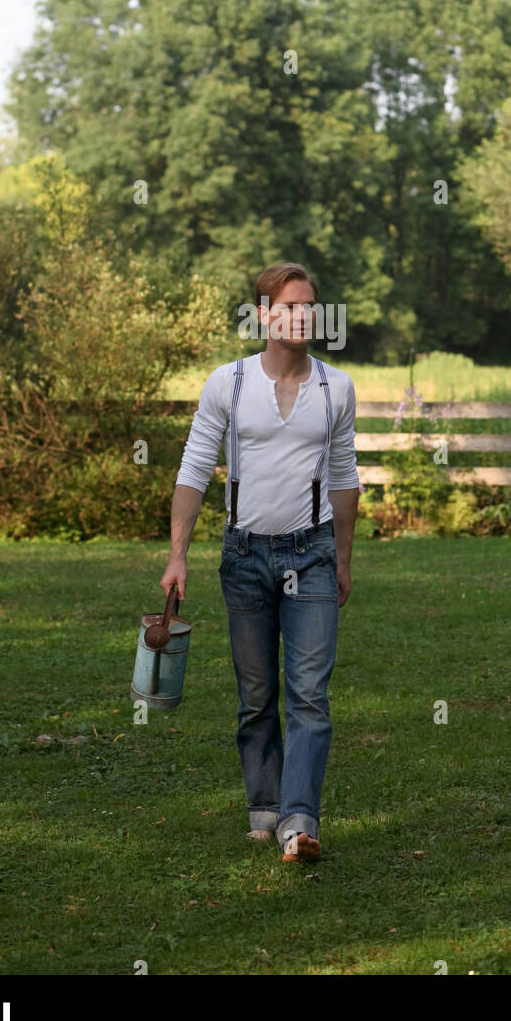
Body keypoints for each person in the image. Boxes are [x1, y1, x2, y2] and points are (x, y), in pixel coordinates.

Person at [161, 262, 360, 862]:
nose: (302, 317)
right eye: (290, 306)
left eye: (310, 307)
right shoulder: (229, 383)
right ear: (264, 314)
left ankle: (298, 822)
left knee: (308, 693)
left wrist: (344, 559)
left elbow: (346, 478)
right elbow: (195, 469)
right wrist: (177, 555)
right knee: (256, 695)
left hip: (313, 553)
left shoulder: (336, 389)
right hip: (244, 555)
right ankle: (264, 807)